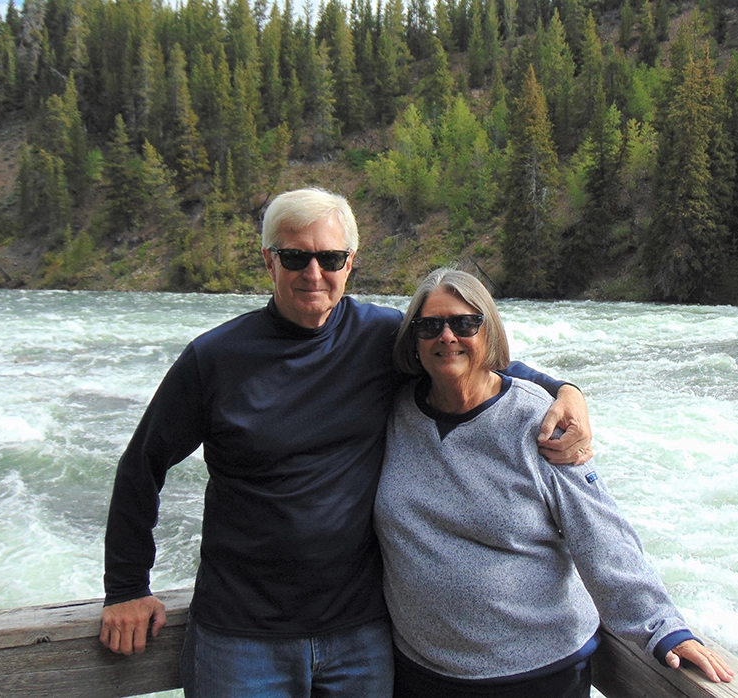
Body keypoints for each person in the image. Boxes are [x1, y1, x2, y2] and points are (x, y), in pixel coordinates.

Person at [99, 188, 594, 697]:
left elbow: (468, 353)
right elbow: (143, 464)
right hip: (241, 636)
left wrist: (564, 390)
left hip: (360, 634)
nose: (314, 274)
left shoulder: (381, 338)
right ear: (269, 260)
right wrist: (128, 587)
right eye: (295, 257)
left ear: (350, 263)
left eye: (330, 257)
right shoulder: (215, 358)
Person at [373, 268, 735, 698]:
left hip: (537, 673)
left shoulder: (539, 420)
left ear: (489, 331)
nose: (447, 336)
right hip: (424, 670)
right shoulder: (396, 410)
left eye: (465, 323)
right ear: (414, 340)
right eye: (430, 325)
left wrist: (662, 627)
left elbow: (600, 531)